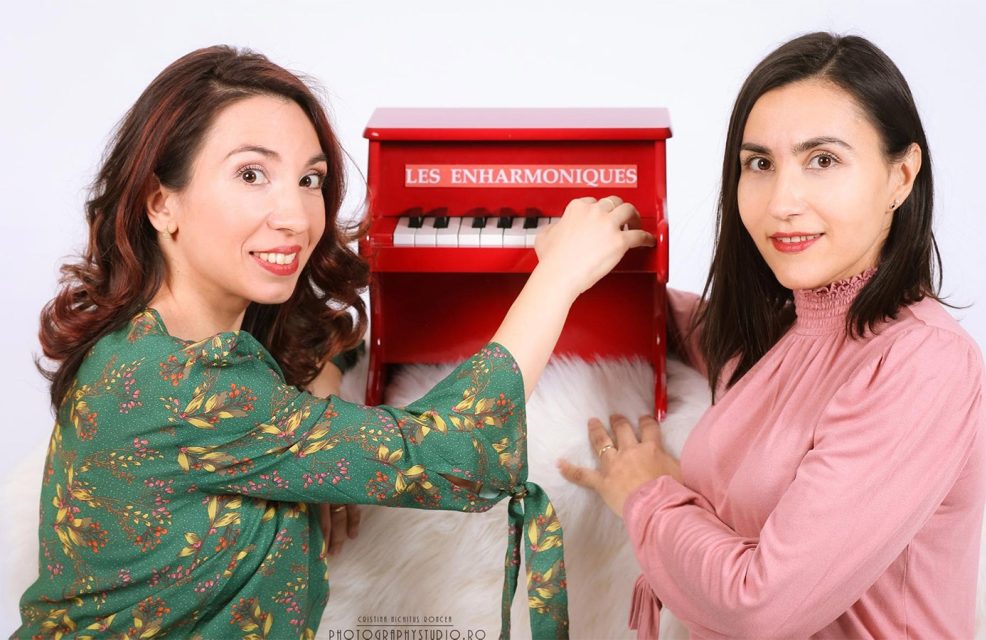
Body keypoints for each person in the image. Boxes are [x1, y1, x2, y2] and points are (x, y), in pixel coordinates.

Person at [14, 46, 654, 639]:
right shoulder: (178, 381)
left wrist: (316, 413)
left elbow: (325, 343)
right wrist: (559, 275)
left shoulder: (160, 337)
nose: (296, 216)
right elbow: (458, 451)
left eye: (310, 179)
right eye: (251, 175)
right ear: (161, 203)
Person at [558, 32, 986, 638]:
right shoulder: (787, 329)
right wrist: (568, 267)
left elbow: (758, 604)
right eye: (760, 164)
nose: (782, 201)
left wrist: (647, 493)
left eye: (823, 160)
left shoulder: (924, 363)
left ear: (901, 175)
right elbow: (692, 327)